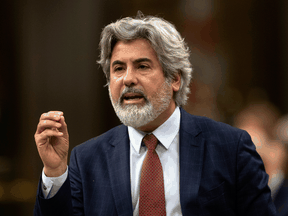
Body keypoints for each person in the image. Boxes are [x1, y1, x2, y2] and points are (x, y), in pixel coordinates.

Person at [33, 13, 277, 216]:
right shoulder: (86, 159)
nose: (128, 79)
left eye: (142, 66)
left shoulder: (230, 147)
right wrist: (55, 173)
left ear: (175, 79)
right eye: (118, 68)